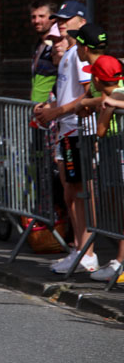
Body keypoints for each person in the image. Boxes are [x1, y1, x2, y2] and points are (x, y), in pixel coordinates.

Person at [33, 0, 99, 274]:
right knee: (70, 190)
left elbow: (90, 93)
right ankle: (79, 248)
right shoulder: (69, 53)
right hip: (66, 129)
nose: (60, 23)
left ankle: (88, 252)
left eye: (66, 19)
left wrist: (57, 111)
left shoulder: (80, 55)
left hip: (79, 129)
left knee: (80, 191)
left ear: (81, 22)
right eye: (58, 19)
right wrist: (50, 109)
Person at [82, 56, 124, 284]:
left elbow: (100, 130)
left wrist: (104, 106)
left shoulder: (114, 96)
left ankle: (120, 260)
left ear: (97, 79)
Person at [29, 0, 61, 103]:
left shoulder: (59, 43)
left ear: (53, 18)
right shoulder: (39, 44)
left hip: (52, 110)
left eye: (41, 16)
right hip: (37, 108)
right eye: (33, 17)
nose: (36, 21)